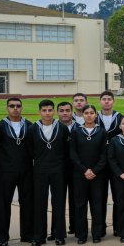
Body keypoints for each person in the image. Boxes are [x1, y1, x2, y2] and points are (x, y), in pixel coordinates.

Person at [0, 97, 33, 246]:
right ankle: (2, 237)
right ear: (7, 108)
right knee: (3, 204)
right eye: (12, 106)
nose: (15, 108)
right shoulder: (0, 126)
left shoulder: (29, 125)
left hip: (26, 170)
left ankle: (27, 234)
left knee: (27, 203)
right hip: (6, 171)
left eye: (18, 106)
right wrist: (0, 167)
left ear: (22, 107)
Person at [31, 99, 69, 246]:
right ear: (39, 112)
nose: (47, 113)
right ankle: (39, 236)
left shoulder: (62, 128)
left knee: (58, 202)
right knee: (39, 203)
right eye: (44, 110)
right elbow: (29, 150)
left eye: (49, 110)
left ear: (54, 111)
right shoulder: (33, 129)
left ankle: (59, 235)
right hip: (40, 170)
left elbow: (66, 149)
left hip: (58, 170)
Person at [69, 104, 109, 244]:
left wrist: (95, 170)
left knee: (97, 205)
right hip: (80, 175)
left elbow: (104, 154)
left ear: (96, 115)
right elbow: (73, 153)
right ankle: (82, 234)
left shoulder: (102, 132)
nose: (89, 115)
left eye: (92, 113)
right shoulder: (76, 132)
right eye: (86, 113)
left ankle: (97, 233)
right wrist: (84, 170)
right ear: (83, 115)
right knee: (80, 205)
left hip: (98, 175)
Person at [99, 91, 124, 236]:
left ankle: (118, 227)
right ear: (100, 101)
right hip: (99, 164)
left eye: (109, 99)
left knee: (118, 197)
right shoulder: (94, 117)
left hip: (116, 163)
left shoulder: (120, 118)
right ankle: (100, 227)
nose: (107, 101)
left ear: (113, 101)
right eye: (104, 99)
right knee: (99, 197)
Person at [56, 100, 78, 236]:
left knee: (76, 198)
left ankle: (75, 227)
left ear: (72, 112)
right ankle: (57, 230)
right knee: (58, 200)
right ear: (57, 112)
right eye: (62, 111)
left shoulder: (79, 127)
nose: (65, 113)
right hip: (58, 168)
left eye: (67, 110)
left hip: (76, 168)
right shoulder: (53, 127)